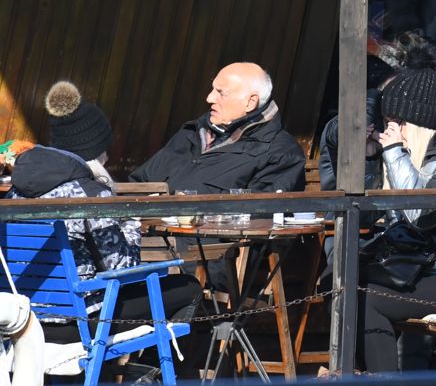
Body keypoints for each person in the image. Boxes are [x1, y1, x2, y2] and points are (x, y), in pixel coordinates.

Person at [322, 55, 436, 386]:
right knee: (337, 283)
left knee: (368, 300)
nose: (388, 128)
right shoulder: (400, 153)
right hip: (409, 269)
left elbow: (422, 215)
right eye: (387, 120)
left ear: (420, 122)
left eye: (397, 120)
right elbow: (364, 216)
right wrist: (369, 161)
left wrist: (393, 152)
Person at [9, 81, 200, 324]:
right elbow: (123, 269)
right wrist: (130, 221)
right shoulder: (89, 194)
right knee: (187, 287)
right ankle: (146, 361)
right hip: (80, 319)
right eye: (105, 148)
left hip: (23, 317)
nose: (108, 156)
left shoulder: (15, 191)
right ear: (94, 149)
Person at [134, 62, 305, 194]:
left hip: (205, 239)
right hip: (146, 236)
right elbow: (138, 183)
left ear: (250, 102)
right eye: (212, 89)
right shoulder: (192, 133)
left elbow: (259, 220)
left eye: (221, 92)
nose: (209, 98)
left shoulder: (280, 153)